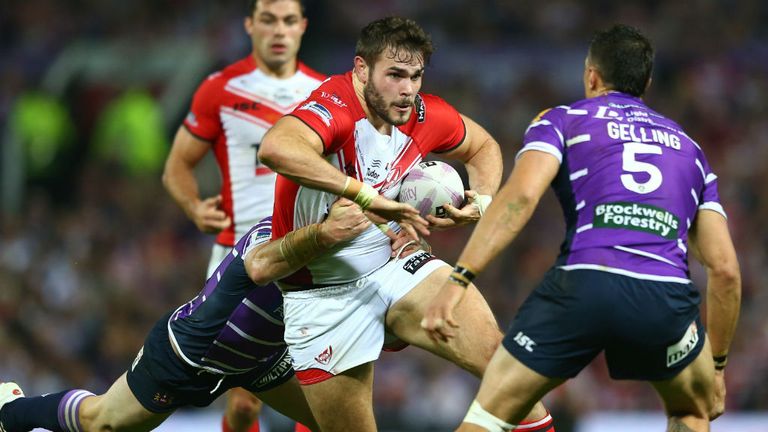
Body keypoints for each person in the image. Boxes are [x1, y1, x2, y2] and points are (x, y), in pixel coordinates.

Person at [422, 24, 741, 432]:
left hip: (583, 285)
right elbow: (726, 270)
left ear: (591, 75)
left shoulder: (563, 120)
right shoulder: (691, 150)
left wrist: (459, 280)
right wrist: (716, 368)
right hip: (663, 298)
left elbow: (518, 200)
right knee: (690, 412)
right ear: (645, 82)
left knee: (493, 415)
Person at [258, 16, 554, 432]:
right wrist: (364, 195)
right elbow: (276, 147)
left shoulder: (423, 113)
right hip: (322, 294)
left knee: (512, 378)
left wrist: (482, 200)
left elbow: (483, 145)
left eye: (415, 76)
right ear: (361, 69)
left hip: (396, 264)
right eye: (395, 75)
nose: (408, 89)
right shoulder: (335, 109)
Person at [0, 198, 374, 432]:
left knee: (339, 424)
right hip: (192, 353)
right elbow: (259, 272)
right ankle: (12, 410)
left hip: (260, 361)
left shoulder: (353, 256)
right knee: (102, 423)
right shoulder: (275, 237)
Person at [161, 1, 324, 431]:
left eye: (289, 21)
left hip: (307, 255)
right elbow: (176, 166)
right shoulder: (220, 89)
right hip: (241, 259)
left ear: (303, 27)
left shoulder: (325, 93)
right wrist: (194, 206)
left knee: (325, 389)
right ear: (250, 25)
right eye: (268, 20)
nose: (279, 31)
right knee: (245, 404)